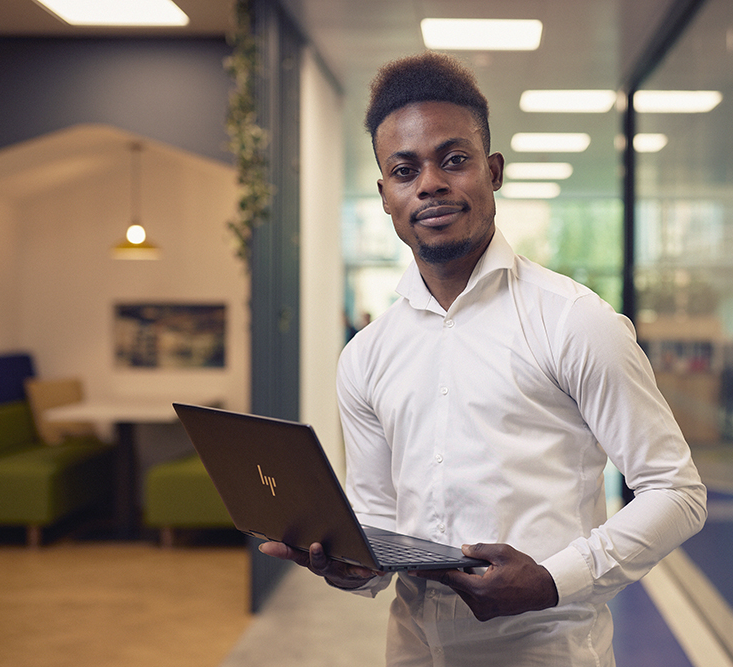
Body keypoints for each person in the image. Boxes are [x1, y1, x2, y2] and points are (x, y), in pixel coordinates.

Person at [260, 52, 707, 665]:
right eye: (404, 170)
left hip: (547, 651)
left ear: (492, 171)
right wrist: (347, 564)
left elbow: (676, 492)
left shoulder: (575, 322)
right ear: (386, 195)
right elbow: (379, 523)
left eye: (454, 159)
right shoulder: (365, 356)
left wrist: (552, 579)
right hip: (412, 649)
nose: (430, 184)